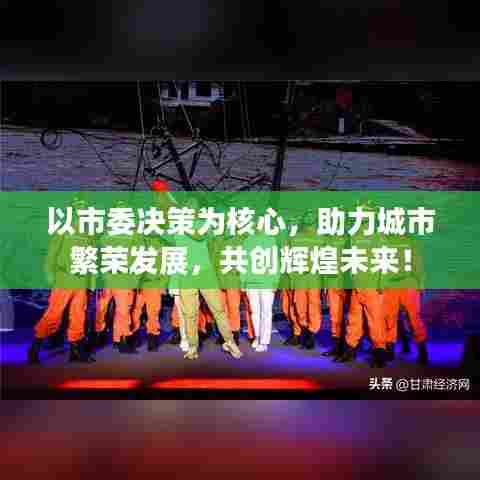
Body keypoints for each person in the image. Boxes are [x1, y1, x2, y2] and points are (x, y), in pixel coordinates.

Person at [172, 195, 243, 360]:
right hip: (186, 274)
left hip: (205, 273)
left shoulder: (205, 224)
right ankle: (192, 347)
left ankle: (230, 342)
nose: (190, 208)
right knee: (189, 314)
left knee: (218, 310)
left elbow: (198, 236)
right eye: (188, 205)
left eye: (193, 206)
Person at [28, 195, 96, 364]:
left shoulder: (90, 233)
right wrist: (49, 275)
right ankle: (35, 348)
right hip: (64, 278)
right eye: (78, 207)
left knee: (79, 316)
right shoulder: (63, 230)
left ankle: (75, 352)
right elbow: (51, 254)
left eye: (84, 207)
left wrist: (92, 282)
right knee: (54, 315)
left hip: (81, 281)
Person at [334, 203, 388, 368]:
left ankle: (379, 353)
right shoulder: (354, 235)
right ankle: (350, 350)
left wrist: (382, 282)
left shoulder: (378, 235)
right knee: (353, 319)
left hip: (372, 285)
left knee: (375, 320)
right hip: (357, 285)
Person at [382, 232, 428, 364]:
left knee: (413, 318)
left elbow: (417, 263)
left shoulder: (410, 241)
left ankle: (422, 349)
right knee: (390, 318)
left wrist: (421, 284)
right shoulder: (384, 240)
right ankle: (390, 349)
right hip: (390, 285)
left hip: (408, 283)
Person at [240, 222, 280, 352]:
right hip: (251, 282)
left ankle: (264, 341)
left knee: (266, 312)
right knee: (255, 312)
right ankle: (257, 336)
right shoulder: (248, 241)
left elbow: (275, 261)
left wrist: (275, 281)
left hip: (267, 281)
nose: (259, 227)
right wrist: (243, 282)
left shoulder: (271, 240)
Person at [288, 210, 323, 350]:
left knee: (313, 306)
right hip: (298, 277)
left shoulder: (321, 237)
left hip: (314, 276)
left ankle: (311, 334)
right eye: (307, 215)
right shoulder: (295, 237)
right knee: (300, 306)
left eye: (311, 216)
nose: (309, 218)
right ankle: (304, 328)